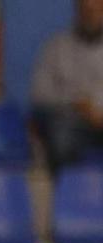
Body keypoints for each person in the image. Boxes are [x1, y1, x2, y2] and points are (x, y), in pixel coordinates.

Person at [31, 0, 103, 171]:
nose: (90, 15)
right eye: (85, 10)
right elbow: (39, 94)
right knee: (60, 138)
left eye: (96, 10)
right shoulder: (56, 47)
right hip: (73, 123)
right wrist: (78, 104)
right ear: (77, 11)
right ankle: (69, 195)